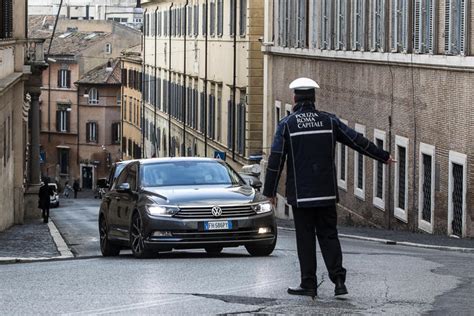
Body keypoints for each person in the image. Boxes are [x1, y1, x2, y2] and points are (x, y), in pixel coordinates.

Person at [263, 77, 395, 298]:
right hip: (326, 193)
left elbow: (276, 159)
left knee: (305, 238)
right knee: (329, 235)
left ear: (294, 98)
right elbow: (357, 141)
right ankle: (339, 280)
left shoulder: (287, 125)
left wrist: (270, 192)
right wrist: (384, 156)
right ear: (314, 98)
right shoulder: (329, 121)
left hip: (302, 195)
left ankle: (309, 283)